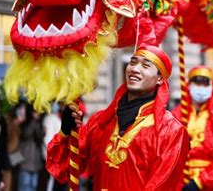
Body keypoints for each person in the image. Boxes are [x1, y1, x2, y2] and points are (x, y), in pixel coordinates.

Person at [46, 45, 189, 190]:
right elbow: (63, 169)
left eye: (146, 66)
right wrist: (65, 132)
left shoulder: (172, 132)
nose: (135, 68)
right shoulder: (100, 121)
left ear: (159, 79)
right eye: (133, 62)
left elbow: (162, 186)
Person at [172, 66, 213, 191]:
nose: (201, 88)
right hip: (182, 181)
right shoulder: (176, 114)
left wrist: (201, 181)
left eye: (205, 84)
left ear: (212, 87)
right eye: (197, 83)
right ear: (189, 85)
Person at [18, 104, 44, 191]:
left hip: (35, 163)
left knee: (33, 187)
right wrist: (34, 121)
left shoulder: (39, 124)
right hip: (25, 162)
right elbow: (26, 134)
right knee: (24, 187)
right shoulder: (27, 123)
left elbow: (40, 137)